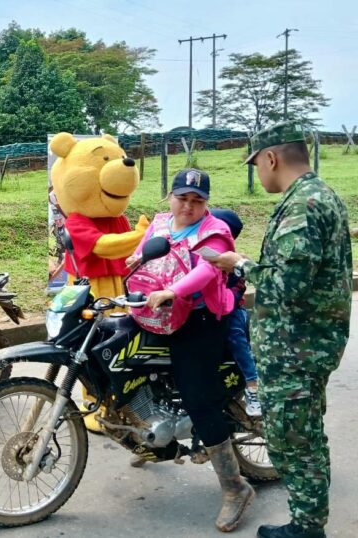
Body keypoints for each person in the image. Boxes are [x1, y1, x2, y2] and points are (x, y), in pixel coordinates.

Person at [213, 122, 352, 538]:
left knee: (296, 442)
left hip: (297, 349)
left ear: (271, 158)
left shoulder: (303, 206)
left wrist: (237, 264)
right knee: (305, 435)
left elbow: (287, 285)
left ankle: (307, 529)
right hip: (304, 344)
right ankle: (308, 522)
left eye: (257, 164)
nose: (258, 172)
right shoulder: (317, 195)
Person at [133, 168, 255, 533]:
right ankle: (146, 433)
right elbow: (142, 251)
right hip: (157, 312)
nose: (188, 205)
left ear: (206, 204)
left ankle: (236, 487)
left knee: (198, 398)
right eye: (182, 197)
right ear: (169, 196)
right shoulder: (159, 223)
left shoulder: (214, 232)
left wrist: (176, 291)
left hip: (199, 319)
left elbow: (206, 270)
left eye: (197, 200)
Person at [210, 208, 262, 417]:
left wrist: (223, 296)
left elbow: (239, 287)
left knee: (235, 336)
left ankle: (253, 385)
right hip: (211, 312)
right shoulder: (199, 254)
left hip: (232, 312)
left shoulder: (235, 260)